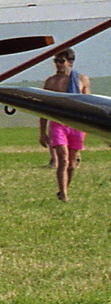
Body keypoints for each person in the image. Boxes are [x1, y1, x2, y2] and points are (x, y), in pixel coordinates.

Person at [40, 47, 91, 202]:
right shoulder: (50, 81)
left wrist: (87, 126)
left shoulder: (81, 79)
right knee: (63, 158)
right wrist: (42, 132)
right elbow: (44, 107)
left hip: (76, 123)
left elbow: (87, 103)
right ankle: (63, 194)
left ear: (70, 62)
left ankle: (64, 189)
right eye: (56, 61)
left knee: (72, 163)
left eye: (61, 61)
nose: (58, 64)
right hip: (58, 123)